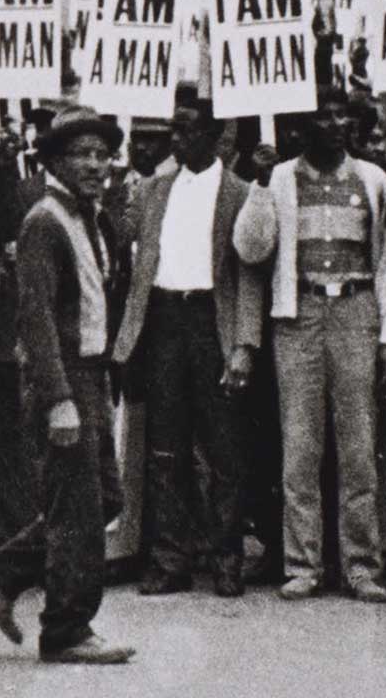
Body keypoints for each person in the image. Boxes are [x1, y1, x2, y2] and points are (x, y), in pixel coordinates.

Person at [0, 105, 135, 665]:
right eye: (81, 154)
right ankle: (66, 629)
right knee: (81, 507)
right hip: (62, 380)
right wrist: (59, 399)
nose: (94, 164)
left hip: (87, 373)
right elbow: (35, 316)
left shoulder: (90, 215)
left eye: (101, 154)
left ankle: (1, 568)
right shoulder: (44, 221)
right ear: (56, 161)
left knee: (101, 498)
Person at [232, 86, 386, 603]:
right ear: (302, 126)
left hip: (356, 309)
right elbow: (250, 248)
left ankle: (360, 566)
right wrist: (259, 185)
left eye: (341, 116)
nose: (333, 124)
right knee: (300, 448)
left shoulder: (373, 179)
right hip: (298, 315)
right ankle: (302, 564)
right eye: (322, 116)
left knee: (357, 448)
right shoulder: (279, 177)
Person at [111, 84, 262, 598]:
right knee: (165, 446)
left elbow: (249, 275)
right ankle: (169, 559)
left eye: (187, 129)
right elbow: (122, 243)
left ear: (216, 136)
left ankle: (225, 557)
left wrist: (244, 344)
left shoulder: (241, 192)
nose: (177, 138)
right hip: (163, 319)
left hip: (210, 322)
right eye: (174, 128)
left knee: (225, 448)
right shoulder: (154, 189)